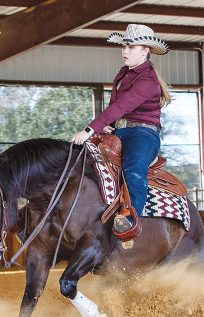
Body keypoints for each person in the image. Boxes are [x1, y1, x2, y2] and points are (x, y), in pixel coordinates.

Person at [72, 24, 171, 234]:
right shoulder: (124, 73)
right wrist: (110, 126)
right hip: (121, 131)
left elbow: (121, 106)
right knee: (88, 159)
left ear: (145, 51)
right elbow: (117, 109)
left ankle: (131, 218)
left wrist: (89, 130)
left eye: (131, 47)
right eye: (124, 46)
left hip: (143, 135)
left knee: (133, 168)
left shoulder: (148, 80)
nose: (125, 51)